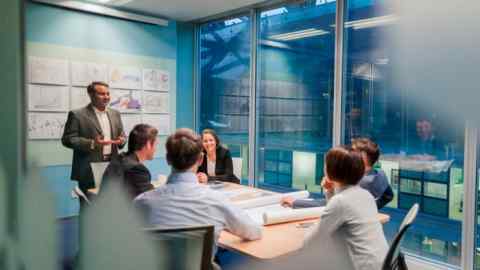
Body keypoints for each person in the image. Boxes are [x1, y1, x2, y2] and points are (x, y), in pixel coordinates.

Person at [134, 128, 262, 255]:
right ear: (200, 159)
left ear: (167, 159)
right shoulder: (216, 200)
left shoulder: (141, 203)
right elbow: (253, 231)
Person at [303, 146, 388, 270]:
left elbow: (310, 242)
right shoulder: (366, 195)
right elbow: (339, 210)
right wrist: (330, 190)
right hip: (382, 265)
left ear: (330, 171)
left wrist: (312, 226)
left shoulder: (341, 201)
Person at [62, 81, 125, 208]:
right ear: (91, 95)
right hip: (88, 168)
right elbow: (67, 139)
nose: (106, 97)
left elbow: (122, 136)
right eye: (102, 94)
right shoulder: (77, 115)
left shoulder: (115, 114)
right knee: (89, 207)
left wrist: (122, 140)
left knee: (110, 206)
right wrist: (92, 143)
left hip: (112, 166)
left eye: (108, 93)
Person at [282, 138, 393, 210]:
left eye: (352, 152)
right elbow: (389, 195)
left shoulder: (358, 182)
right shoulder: (379, 174)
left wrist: (296, 203)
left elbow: (330, 205)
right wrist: (372, 209)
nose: (348, 154)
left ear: (361, 158)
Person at [102, 124, 157, 199]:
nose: (155, 149)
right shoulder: (138, 170)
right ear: (148, 144)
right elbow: (148, 202)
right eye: (155, 145)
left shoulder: (119, 158)